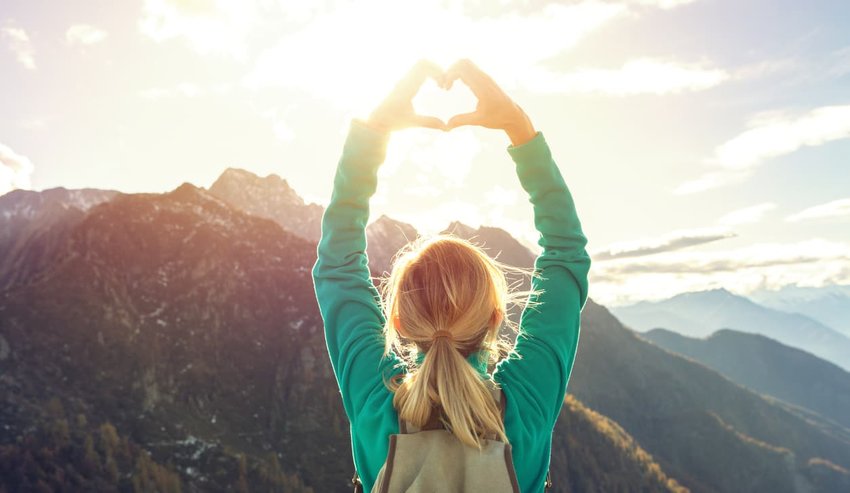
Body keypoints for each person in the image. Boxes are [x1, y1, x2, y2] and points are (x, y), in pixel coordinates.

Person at [312, 58, 591, 493]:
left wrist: (374, 133)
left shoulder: (376, 402)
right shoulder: (524, 407)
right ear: (495, 317)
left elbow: (337, 266)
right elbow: (567, 254)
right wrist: (519, 129)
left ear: (399, 322)